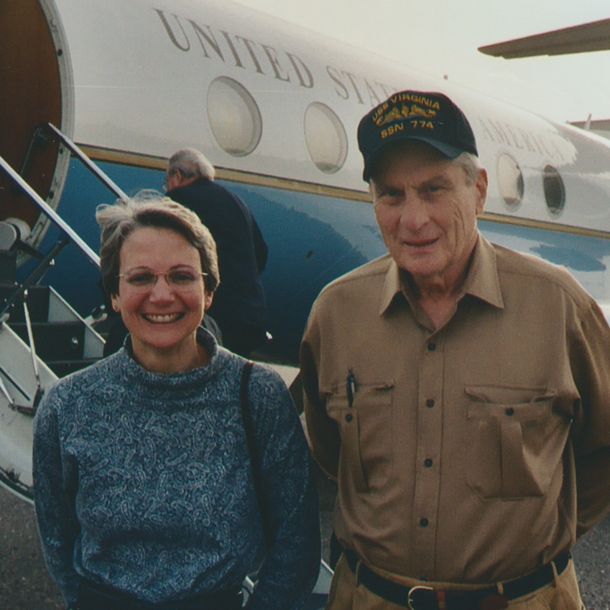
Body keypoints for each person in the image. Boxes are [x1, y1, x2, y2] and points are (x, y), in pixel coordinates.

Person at [300, 89, 610, 609]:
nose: (413, 218)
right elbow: (331, 452)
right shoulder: (336, 314)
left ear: (479, 190)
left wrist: (531, 553)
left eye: (434, 189)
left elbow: (603, 450)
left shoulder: (557, 307)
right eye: (391, 195)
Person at [33, 194, 320, 610]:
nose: (162, 295)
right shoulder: (68, 406)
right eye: (141, 278)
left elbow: (296, 547)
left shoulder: (257, 395)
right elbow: (57, 540)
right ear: (114, 294)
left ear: (209, 292)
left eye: (182, 276)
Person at [166, 148, 268, 357]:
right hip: (249, 316)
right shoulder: (236, 201)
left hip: (212, 319)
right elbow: (261, 253)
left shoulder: (177, 200)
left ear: (176, 175)